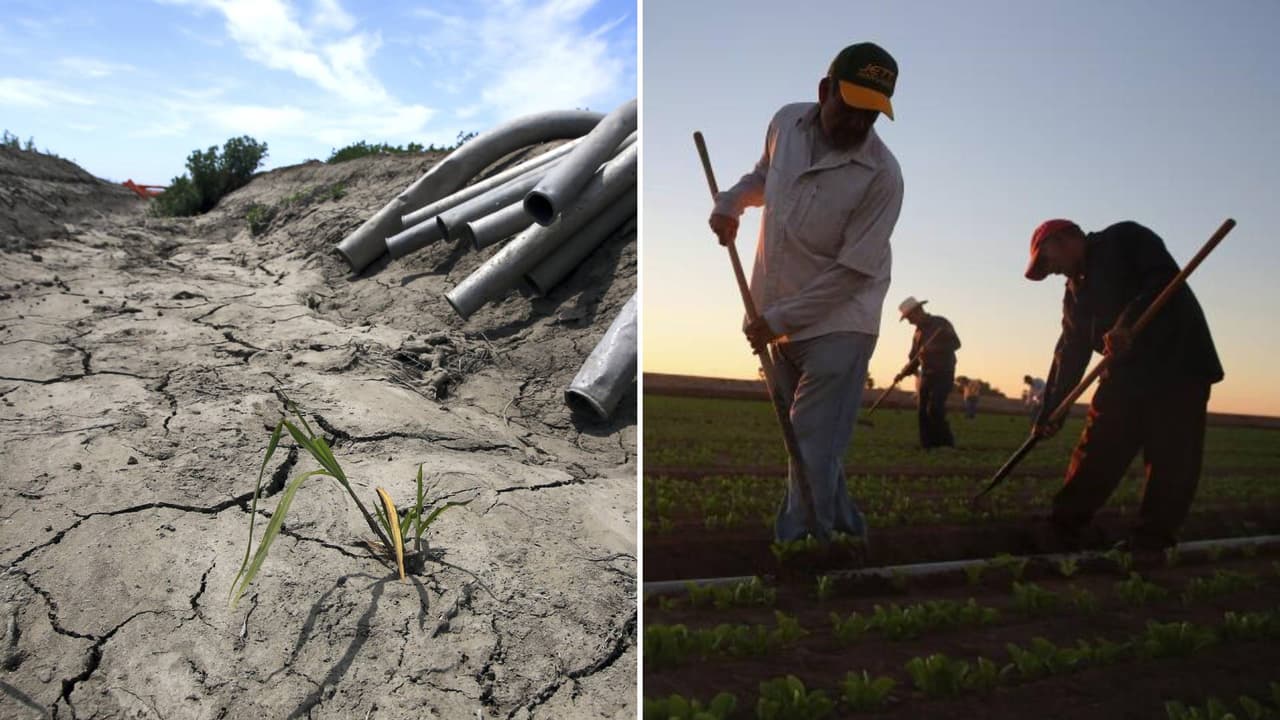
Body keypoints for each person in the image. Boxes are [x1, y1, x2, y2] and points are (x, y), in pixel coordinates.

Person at [708, 41, 903, 542]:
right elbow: (763, 179)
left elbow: (853, 272)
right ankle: (848, 531)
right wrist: (731, 203)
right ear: (825, 90)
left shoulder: (883, 176)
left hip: (841, 321)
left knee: (811, 440)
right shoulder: (786, 124)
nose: (859, 123)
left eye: (872, 115)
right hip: (775, 314)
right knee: (814, 442)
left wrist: (780, 319)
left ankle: (798, 544)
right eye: (851, 107)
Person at [1024, 219, 1223, 552]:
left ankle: (1152, 541)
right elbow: (1070, 350)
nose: (1051, 270)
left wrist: (1126, 324)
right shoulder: (1075, 292)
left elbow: (1162, 280)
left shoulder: (1125, 238)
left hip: (1179, 364)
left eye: (1047, 260)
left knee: (1171, 456)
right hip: (1128, 372)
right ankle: (1065, 526)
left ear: (1064, 239)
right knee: (1100, 443)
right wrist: (1051, 409)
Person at [894, 297, 961, 448]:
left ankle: (946, 444)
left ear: (918, 311)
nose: (910, 322)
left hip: (944, 373)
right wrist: (903, 373)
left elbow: (956, 344)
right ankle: (927, 446)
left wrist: (932, 349)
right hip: (926, 375)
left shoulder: (941, 323)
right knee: (922, 412)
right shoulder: (917, 333)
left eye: (910, 318)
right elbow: (914, 359)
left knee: (935, 408)